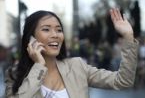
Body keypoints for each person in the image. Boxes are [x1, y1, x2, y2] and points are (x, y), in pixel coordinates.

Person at [5, 8, 138, 98]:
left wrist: (128, 37)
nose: (55, 35)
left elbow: (123, 81)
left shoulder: (77, 66)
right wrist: (39, 66)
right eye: (46, 29)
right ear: (31, 38)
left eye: (58, 30)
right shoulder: (15, 75)